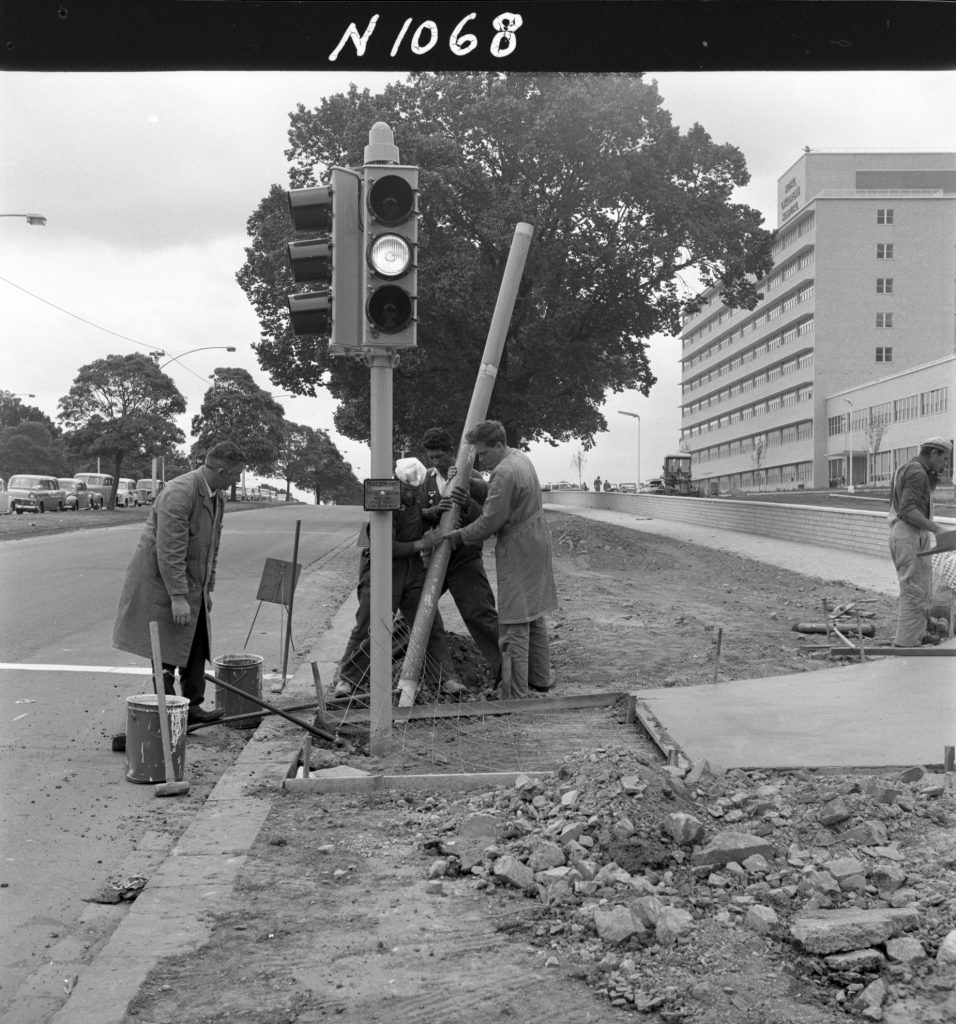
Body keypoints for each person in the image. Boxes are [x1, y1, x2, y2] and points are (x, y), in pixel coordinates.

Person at [113, 441, 247, 724]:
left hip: (193, 583)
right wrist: (177, 596)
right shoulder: (179, 492)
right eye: (236, 474)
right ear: (222, 470)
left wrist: (207, 589)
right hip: (161, 582)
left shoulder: (216, 497)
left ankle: (193, 707)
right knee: (165, 647)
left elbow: (213, 547)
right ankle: (169, 710)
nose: (237, 479)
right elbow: (170, 549)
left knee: (197, 640)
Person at [422, 419, 557, 699]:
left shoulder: (503, 472)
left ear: (498, 445)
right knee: (533, 613)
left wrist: (458, 535)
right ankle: (540, 679)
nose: (481, 460)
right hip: (535, 540)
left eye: (484, 453)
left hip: (517, 546)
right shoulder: (519, 457)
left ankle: (515, 691)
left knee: (514, 620)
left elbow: (489, 522)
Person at [332, 457, 464, 700]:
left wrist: (434, 513)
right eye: (409, 489)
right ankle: (348, 679)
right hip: (382, 570)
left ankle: (444, 677)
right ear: (397, 482)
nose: (413, 494)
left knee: (429, 620)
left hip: (412, 570)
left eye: (416, 490)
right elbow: (386, 546)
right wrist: (423, 543)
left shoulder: (414, 496)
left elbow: (415, 516)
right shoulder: (385, 501)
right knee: (370, 625)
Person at [420, 426, 501, 681]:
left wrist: (466, 503)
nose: (435, 462)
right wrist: (432, 513)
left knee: (479, 613)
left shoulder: (473, 477)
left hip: (464, 557)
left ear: (452, 452)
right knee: (417, 611)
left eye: (440, 457)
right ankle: (392, 664)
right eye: (431, 458)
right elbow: (415, 517)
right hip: (433, 557)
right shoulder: (426, 480)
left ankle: (508, 671)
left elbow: (488, 519)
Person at [887, 435, 953, 647]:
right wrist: (937, 528)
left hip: (912, 533)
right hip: (908, 534)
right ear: (933, 453)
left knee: (923, 588)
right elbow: (907, 510)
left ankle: (918, 633)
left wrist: (933, 477)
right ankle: (906, 643)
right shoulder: (916, 472)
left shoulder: (909, 469)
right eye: (944, 459)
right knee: (914, 590)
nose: (945, 464)